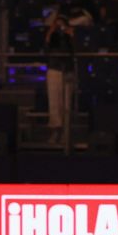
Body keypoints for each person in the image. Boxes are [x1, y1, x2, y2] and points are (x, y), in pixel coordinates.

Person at [42, 10, 77, 145]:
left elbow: (76, 51)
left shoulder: (70, 36)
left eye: (62, 23)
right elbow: (45, 49)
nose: (60, 26)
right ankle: (55, 131)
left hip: (67, 70)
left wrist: (72, 36)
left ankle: (66, 133)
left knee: (66, 103)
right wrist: (51, 32)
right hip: (54, 70)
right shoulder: (52, 37)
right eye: (58, 23)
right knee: (54, 102)